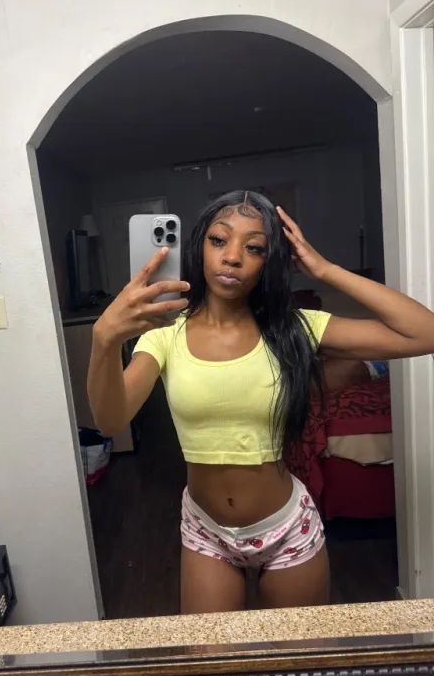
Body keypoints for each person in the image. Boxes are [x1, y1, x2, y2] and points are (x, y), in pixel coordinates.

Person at [87, 191, 434, 614]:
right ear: (199, 246)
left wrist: (325, 270)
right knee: (210, 657)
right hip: (206, 530)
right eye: (219, 240)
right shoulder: (164, 336)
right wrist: (104, 340)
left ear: (269, 261)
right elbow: (110, 420)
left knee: (297, 654)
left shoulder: (295, 328)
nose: (233, 257)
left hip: (286, 528)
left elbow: (424, 332)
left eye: (254, 248)